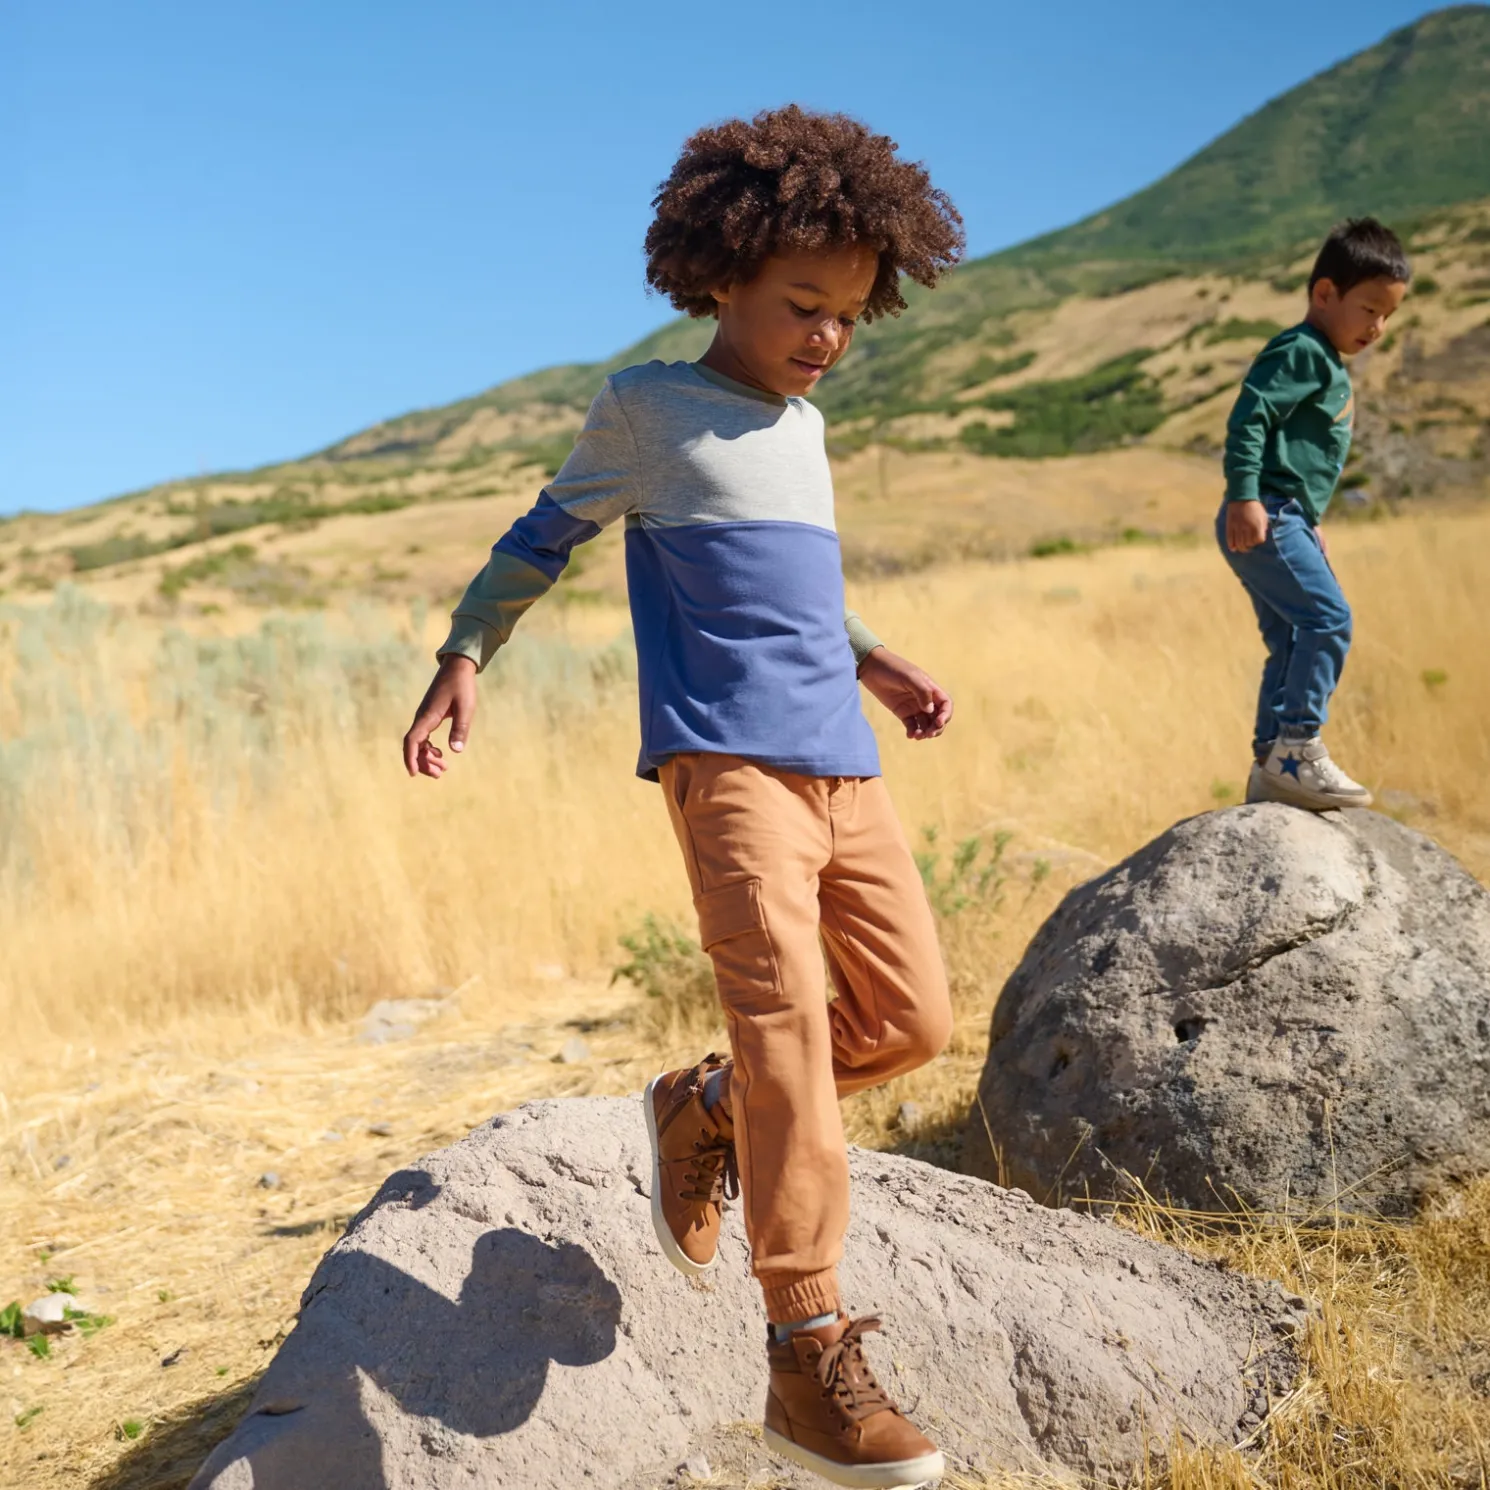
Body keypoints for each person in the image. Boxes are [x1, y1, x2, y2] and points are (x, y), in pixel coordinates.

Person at [402, 106, 964, 1489]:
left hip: (843, 762)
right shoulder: (649, 408)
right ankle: (806, 1350)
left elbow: (790, 595)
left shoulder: (804, 425)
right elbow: (540, 536)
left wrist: (874, 658)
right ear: (718, 272)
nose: (825, 333)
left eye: (848, 311)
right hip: (726, 770)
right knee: (785, 1030)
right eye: (800, 304)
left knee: (909, 1021)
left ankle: (700, 1108)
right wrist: (463, 656)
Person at [1219, 216, 1410, 811]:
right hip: (1265, 512)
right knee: (1328, 620)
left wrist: (1309, 517)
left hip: (1284, 514)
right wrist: (1247, 495)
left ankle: (1270, 759)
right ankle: (1297, 748)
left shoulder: (1325, 362)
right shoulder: (1302, 352)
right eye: (1369, 309)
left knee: (1290, 637)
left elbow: (1296, 453)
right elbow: (1250, 418)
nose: (1377, 327)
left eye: (1388, 316)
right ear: (1325, 294)